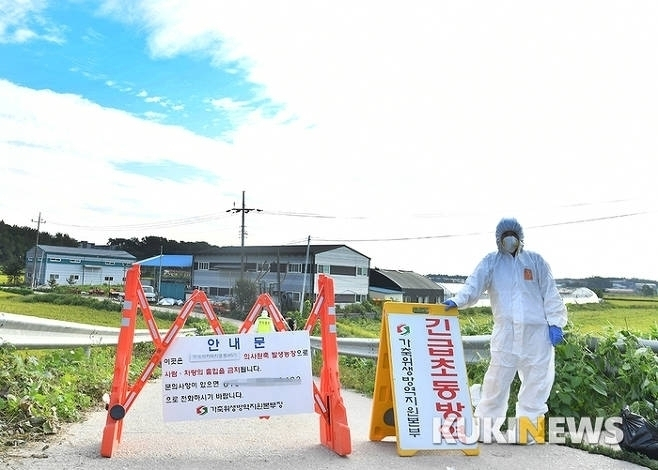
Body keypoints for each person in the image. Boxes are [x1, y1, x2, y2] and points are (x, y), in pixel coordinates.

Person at [442, 217, 567, 443]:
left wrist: (556, 322)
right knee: (496, 382)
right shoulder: (491, 262)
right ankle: (485, 430)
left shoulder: (536, 261)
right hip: (506, 334)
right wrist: (457, 301)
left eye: (513, 234)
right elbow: (474, 285)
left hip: (536, 335)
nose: (510, 238)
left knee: (537, 382)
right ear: (498, 238)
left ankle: (527, 433)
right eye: (505, 234)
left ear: (521, 237)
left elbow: (550, 293)